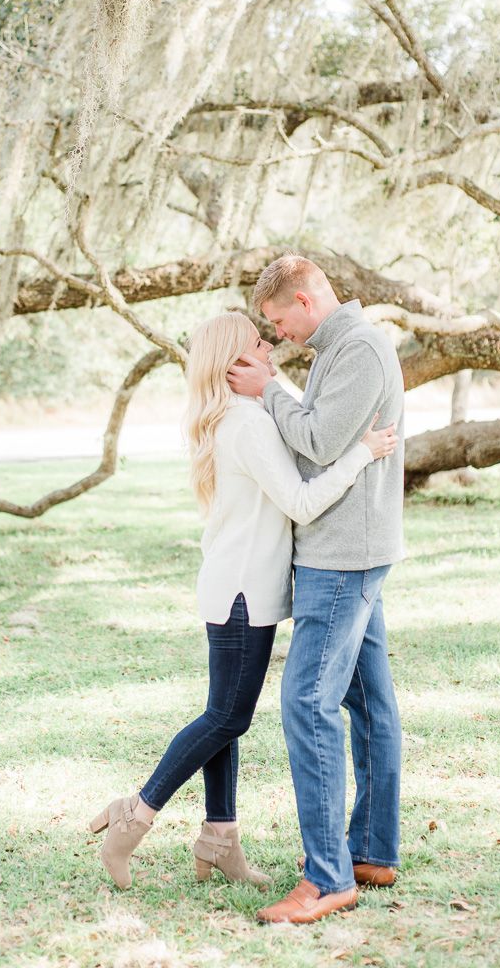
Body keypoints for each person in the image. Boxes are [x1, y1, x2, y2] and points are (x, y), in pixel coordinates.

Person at [89, 310, 397, 891]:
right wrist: (362, 453)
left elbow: (303, 436)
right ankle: (134, 816)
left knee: (224, 716)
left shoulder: (242, 415)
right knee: (227, 716)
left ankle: (220, 838)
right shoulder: (247, 424)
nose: (271, 345)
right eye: (260, 342)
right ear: (236, 360)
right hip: (241, 595)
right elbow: (301, 502)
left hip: (234, 587)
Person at [227, 254, 404, 925]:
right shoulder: (339, 349)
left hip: (342, 556)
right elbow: (322, 438)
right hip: (351, 550)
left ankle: (328, 878)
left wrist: (268, 389)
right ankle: (371, 851)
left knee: (305, 702)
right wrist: (286, 396)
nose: (279, 336)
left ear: (304, 300)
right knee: (368, 702)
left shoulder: (357, 349)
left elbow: (318, 445)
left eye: (279, 322)